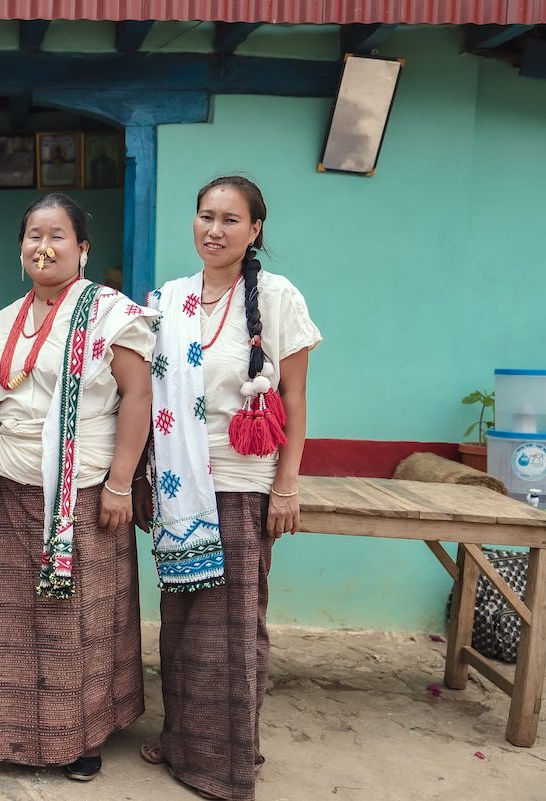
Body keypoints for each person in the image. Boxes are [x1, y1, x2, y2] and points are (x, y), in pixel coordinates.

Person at [140, 176, 321, 801]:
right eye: (205, 216)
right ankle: (182, 740)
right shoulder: (168, 300)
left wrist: (287, 485)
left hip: (243, 484)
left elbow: (294, 398)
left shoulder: (277, 298)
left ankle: (227, 762)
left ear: (255, 230)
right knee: (183, 620)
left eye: (230, 220)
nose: (214, 230)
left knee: (234, 627)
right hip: (178, 483)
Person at [0, 193, 156, 780]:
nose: (43, 246)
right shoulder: (2, 320)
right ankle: (16, 731)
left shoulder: (111, 312)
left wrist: (121, 483)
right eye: (33, 235)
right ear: (20, 246)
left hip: (85, 489)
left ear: (83, 248)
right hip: (16, 486)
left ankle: (81, 736)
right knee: (17, 617)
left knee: (80, 619)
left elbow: (138, 395)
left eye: (57, 235)